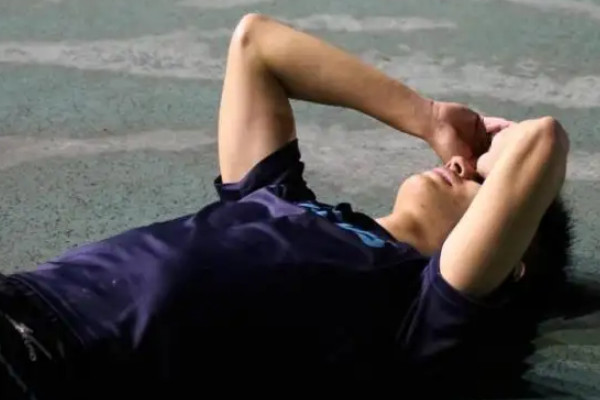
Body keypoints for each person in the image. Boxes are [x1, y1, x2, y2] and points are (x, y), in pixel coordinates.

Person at [0, 14, 572, 398]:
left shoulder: (422, 312)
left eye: (480, 180)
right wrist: (427, 117)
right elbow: (257, 43)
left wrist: (504, 156)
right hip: (19, 298)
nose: (460, 165)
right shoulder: (277, 198)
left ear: (510, 261)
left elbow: (542, 140)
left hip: (56, 368)